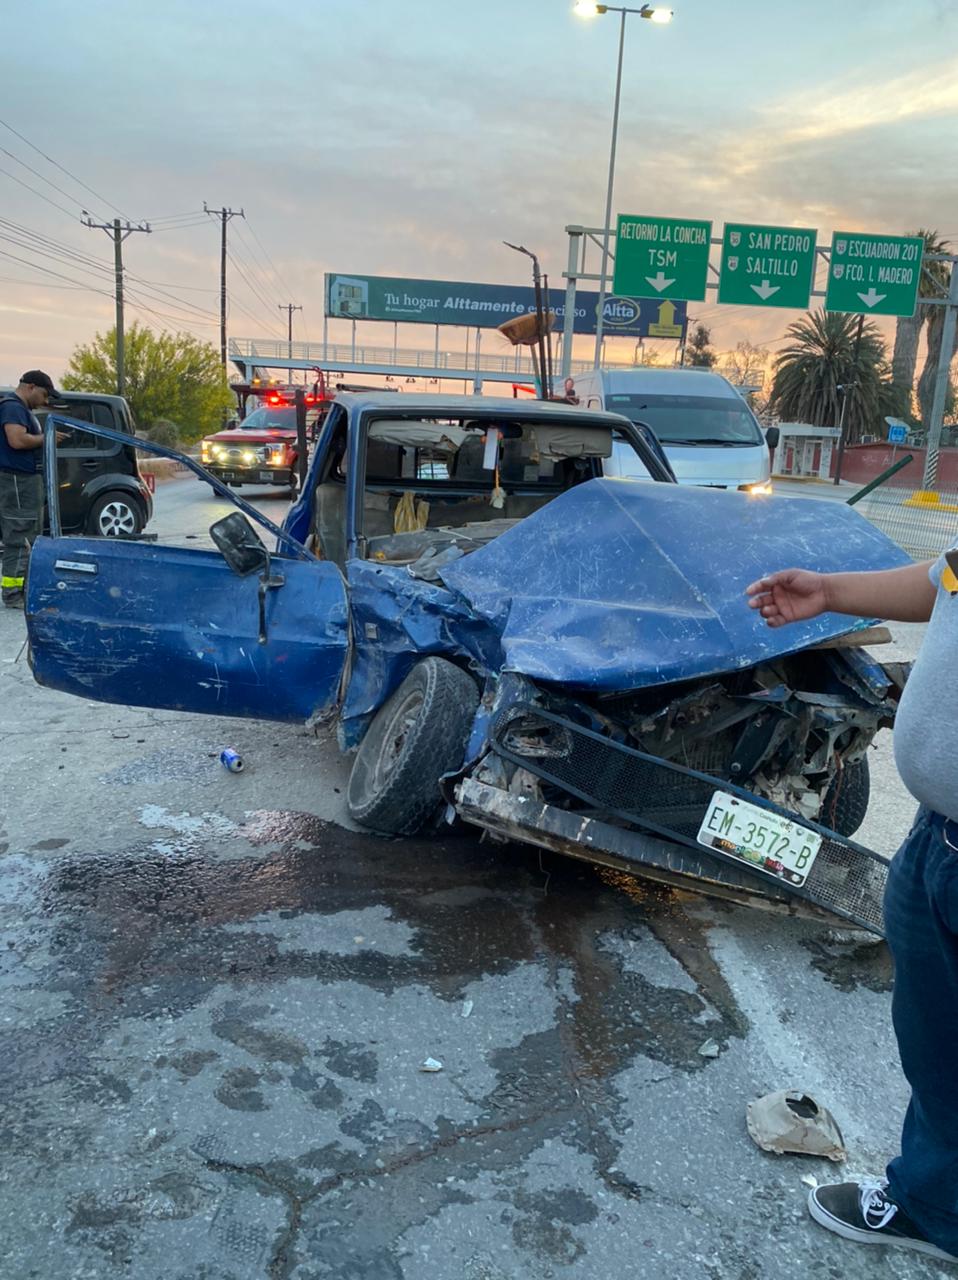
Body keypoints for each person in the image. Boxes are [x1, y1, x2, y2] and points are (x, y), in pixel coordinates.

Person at [747, 557, 958, 1265]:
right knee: (938, 1045)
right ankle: (935, 1209)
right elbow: (946, 579)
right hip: (939, 837)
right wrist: (831, 592)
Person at [0, 370, 59, 609]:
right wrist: (47, 438)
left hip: (25, 481)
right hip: (17, 481)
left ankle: (23, 588)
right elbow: (16, 440)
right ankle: (12, 593)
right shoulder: (13, 408)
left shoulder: (22, 410)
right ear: (31, 387)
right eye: (44, 395)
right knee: (19, 535)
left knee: (28, 535)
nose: (45, 401)